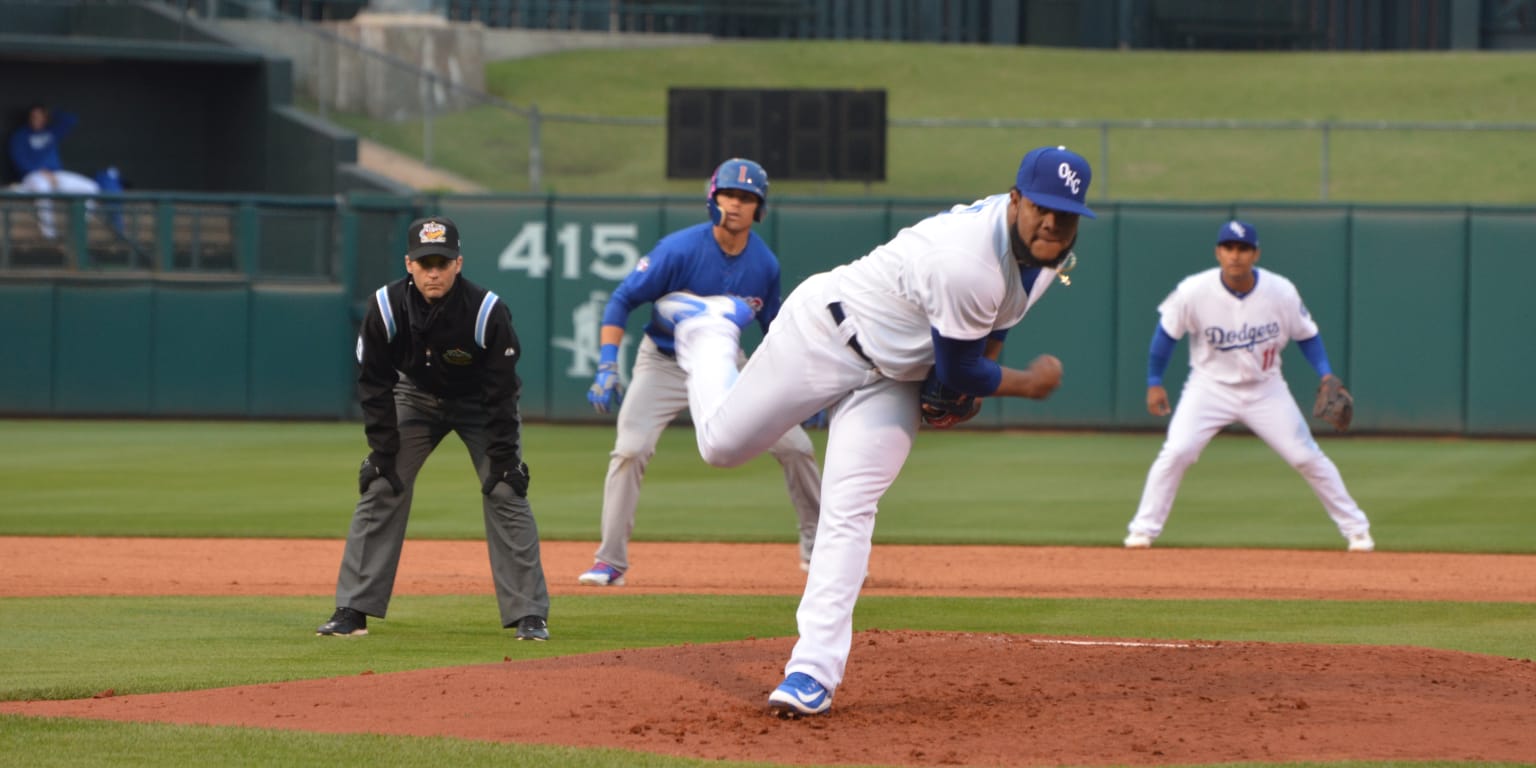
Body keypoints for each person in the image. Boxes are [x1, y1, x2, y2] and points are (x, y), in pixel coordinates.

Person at [649, 145, 1097, 717]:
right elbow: (962, 368)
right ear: (1016, 201)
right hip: (827, 332)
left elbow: (993, 328)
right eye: (1042, 208)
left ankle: (811, 672)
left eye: (1067, 213)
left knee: (851, 509)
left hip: (894, 378)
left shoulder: (1048, 253)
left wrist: (963, 388)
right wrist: (1025, 384)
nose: (1054, 223)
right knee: (720, 446)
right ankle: (708, 332)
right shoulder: (967, 260)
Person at [579, 157, 821, 586]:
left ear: (759, 209)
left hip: (729, 366)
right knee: (630, 450)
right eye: (729, 194)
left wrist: (798, 392)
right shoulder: (679, 250)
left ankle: (818, 549)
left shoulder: (764, 265)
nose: (736, 204)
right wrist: (605, 365)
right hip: (664, 362)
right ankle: (610, 561)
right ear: (713, 197)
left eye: (747, 198)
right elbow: (621, 300)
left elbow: (776, 333)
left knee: (797, 447)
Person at [316, 215, 552, 640]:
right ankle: (352, 608)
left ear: (458, 264)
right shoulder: (385, 307)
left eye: (442, 262)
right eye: (425, 263)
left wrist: (503, 458)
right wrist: (382, 449)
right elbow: (373, 383)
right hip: (415, 397)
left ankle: (530, 614)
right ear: (409, 265)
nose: (433, 272)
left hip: (480, 402)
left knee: (504, 487)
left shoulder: (486, 311)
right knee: (382, 483)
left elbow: (501, 392)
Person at [1122, 220, 1373, 552]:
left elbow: (1307, 336)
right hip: (1208, 388)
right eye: (1228, 248)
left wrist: (1325, 374)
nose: (1235, 256)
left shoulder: (1280, 291)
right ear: (1217, 252)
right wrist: (1154, 382)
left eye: (1243, 249)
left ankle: (1356, 529)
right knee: (1177, 451)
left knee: (1305, 456)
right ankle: (1142, 531)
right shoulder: (1193, 291)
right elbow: (1164, 339)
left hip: (1265, 389)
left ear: (1256, 253)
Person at [7, 104, 101, 239]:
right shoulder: (20, 135)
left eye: (40, 117)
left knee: (92, 188)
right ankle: (49, 236)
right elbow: (18, 160)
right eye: (34, 117)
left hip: (55, 175)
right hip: (32, 175)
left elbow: (71, 120)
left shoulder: (51, 132)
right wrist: (40, 172)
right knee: (43, 188)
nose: (37, 120)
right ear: (29, 118)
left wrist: (52, 112)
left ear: (45, 118)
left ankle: (75, 229)